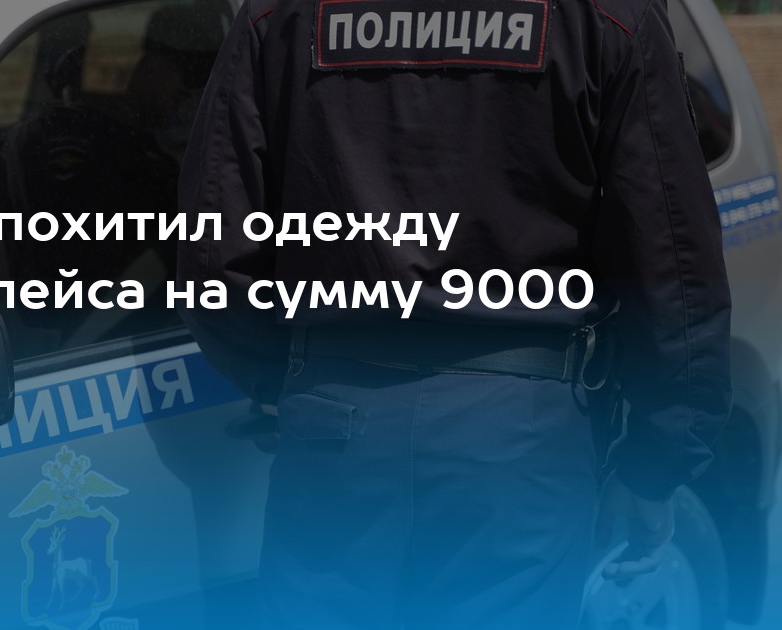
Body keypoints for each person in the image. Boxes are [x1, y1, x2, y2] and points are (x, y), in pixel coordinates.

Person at [175, 0, 732, 628]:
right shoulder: (607, 13)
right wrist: (659, 462)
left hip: (336, 424)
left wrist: (294, 380)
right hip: (522, 442)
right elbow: (674, 260)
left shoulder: (277, 14)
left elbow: (211, 256)